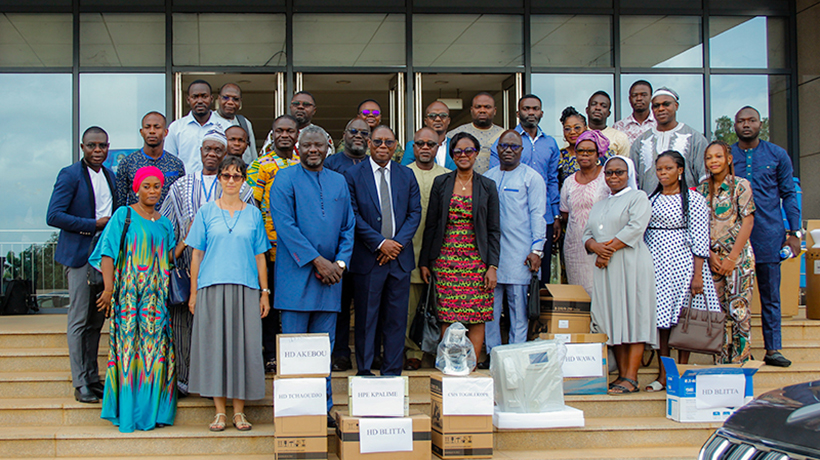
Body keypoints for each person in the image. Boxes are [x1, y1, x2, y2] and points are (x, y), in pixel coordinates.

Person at [270, 125, 356, 427]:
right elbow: (285, 226)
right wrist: (319, 262)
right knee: (293, 351)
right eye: (307, 145)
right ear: (298, 147)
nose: (313, 150)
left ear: (327, 146)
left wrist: (340, 265)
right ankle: (294, 410)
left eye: (318, 145)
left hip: (331, 281)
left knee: (324, 350)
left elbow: (348, 226)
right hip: (296, 278)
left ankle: (323, 408)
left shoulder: (339, 181)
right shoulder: (284, 178)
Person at [159, 130, 254, 396]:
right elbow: (167, 223)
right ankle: (184, 381)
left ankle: (220, 383)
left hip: (228, 262)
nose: (211, 154)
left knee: (222, 324)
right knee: (184, 322)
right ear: (200, 151)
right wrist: (174, 252)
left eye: (217, 150)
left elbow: (250, 227)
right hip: (189, 258)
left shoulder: (242, 187)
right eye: (207, 149)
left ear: (225, 154)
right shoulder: (181, 185)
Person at [187, 156, 271, 432]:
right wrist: (193, 293)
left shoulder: (253, 214)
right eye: (226, 176)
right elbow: (196, 254)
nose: (231, 181)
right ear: (219, 179)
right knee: (215, 348)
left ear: (243, 179)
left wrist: (264, 292)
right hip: (211, 287)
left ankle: (239, 412)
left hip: (246, 288)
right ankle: (220, 412)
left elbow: (260, 256)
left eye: (237, 176)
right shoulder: (206, 212)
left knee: (244, 348)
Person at [90, 166, 177, 432]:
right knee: (128, 354)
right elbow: (107, 252)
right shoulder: (123, 215)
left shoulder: (164, 222)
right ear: (137, 188)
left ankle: (152, 414)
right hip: (128, 297)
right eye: (147, 186)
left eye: (157, 186)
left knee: (155, 355)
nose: (152, 191)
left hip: (156, 301)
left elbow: (169, 258)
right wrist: (108, 289)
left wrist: (189, 242)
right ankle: (127, 414)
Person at [46, 126, 118, 404]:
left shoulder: (110, 175)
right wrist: (93, 225)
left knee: (96, 320)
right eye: (92, 146)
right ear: (82, 147)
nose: (97, 151)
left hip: (104, 258)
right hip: (78, 256)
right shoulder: (70, 174)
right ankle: (80, 383)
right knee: (78, 319)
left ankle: (92, 378)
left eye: (102, 146)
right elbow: (54, 215)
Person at [346, 125, 422, 376]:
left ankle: (392, 371)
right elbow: (353, 215)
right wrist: (380, 243)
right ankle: (365, 371)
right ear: (368, 143)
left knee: (397, 319)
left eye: (388, 142)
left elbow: (414, 213)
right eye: (377, 141)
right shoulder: (353, 175)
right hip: (369, 258)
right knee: (366, 320)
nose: (382, 147)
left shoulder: (406, 175)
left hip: (399, 260)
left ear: (396, 146)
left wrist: (395, 245)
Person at [644, 150, 722, 392]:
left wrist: (698, 275)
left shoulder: (694, 199)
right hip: (656, 264)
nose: (663, 173)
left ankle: (681, 372)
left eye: (668, 168)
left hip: (683, 265)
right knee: (661, 323)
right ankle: (664, 374)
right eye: (659, 169)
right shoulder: (651, 199)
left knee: (683, 320)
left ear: (679, 170)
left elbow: (700, 239)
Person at [419, 132, 500, 363]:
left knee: (477, 316)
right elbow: (431, 224)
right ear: (452, 155)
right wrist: (425, 262)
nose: (463, 155)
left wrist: (492, 265)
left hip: (477, 261)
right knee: (447, 316)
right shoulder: (441, 183)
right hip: (446, 260)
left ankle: (471, 366)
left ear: (476, 154)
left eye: (468, 151)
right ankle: (451, 365)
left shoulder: (487, 186)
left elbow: (494, 230)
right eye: (458, 151)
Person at [732, 106, 800, 367]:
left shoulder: (777, 155)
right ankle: (739, 349)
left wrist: (794, 232)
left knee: (770, 294)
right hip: (735, 238)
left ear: (761, 124)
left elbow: (789, 194)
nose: (746, 125)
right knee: (736, 296)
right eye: (741, 121)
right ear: (736, 125)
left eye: (751, 120)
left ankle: (773, 349)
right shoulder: (727, 155)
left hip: (769, 235)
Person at [583, 156, 656, 395]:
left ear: (629, 174)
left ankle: (631, 377)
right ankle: (621, 375)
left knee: (633, 317)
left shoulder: (638, 197)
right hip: (606, 269)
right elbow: (586, 234)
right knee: (614, 319)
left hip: (630, 264)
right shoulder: (600, 204)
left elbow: (635, 228)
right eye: (609, 173)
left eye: (619, 172)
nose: (614, 177)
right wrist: (596, 247)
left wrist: (607, 250)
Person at [484, 130, 546, 358]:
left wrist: (536, 250)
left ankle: (515, 357)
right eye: (504, 146)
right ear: (497, 149)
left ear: (522, 150)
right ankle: (493, 356)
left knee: (518, 311)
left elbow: (538, 214)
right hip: (491, 257)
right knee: (489, 310)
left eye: (514, 147)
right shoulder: (488, 176)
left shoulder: (532, 178)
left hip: (520, 255)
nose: (508, 150)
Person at [246, 114, 301, 374]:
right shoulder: (260, 165)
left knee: (291, 303)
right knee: (269, 301)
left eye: (290, 131)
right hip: (268, 247)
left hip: (297, 249)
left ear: (297, 135)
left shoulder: (305, 163)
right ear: (272, 133)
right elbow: (252, 204)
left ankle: (293, 353)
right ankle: (270, 354)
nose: (285, 135)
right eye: (279, 130)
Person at [490, 94, 561, 286]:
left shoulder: (551, 143)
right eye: (526, 108)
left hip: (542, 216)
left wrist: (555, 216)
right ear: (518, 113)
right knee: (507, 273)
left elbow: (553, 180)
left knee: (539, 276)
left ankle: (535, 316)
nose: (531, 112)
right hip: (512, 218)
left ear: (541, 113)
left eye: (535, 108)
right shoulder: (506, 141)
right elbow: (494, 182)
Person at [696, 141, 756, 364]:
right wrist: (710, 255)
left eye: (718, 156)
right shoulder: (701, 190)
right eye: (709, 157)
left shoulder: (741, 186)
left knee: (739, 311)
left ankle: (741, 361)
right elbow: (698, 227)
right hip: (712, 260)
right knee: (717, 313)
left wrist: (732, 258)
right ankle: (720, 363)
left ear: (728, 159)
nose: (714, 161)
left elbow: (748, 222)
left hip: (738, 260)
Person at [325, 118, 371, 372]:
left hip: (367, 249)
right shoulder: (331, 164)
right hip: (338, 248)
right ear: (344, 134)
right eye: (353, 131)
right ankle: (340, 353)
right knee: (340, 305)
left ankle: (368, 354)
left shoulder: (374, 163)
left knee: (366, 306)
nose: (358, 136)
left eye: (364, 133)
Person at [403, 127, 450, 370]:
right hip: (407, 252)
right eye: (420, 143)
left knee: (441, 307)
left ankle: (441, 351)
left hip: (440, 254)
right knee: (410, 308)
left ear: (438, 147)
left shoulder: (448, 176)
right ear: (413, 147)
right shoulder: (402, 174)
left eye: (430, 144)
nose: (425, 148)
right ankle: (413, 352)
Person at [559, 130, 610, 295]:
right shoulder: (569, 181)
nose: (585, 155)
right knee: (579, 295)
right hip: (575, 246)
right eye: (580, 151)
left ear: (598, 154)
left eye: (590, 151)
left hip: (602, 245)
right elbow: (565, 214)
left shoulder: (607, 178)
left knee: (602, 293)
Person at [630, 87, 708, 192]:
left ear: (676, 106)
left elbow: (705, 177)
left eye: (666, 104)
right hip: (649, 204)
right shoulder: (641, 141)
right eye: (656, 106)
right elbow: (634, 180)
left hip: (686, 204)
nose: (661, 109)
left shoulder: (694, 138)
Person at [116, 112, 185, 208]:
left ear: (165, 132)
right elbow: (120, 202)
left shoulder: (176, 164)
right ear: (141, 132)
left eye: (157, 127)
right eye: (147, 127)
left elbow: (181, 200)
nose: (152, 131)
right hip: (137, 221)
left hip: (168, 221)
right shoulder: (128, 163)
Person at [165, 80, 229, 174]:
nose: (200, 101)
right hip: (186, 185)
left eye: (204, 96)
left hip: (219, 184)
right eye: (195, 97)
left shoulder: (226, 127)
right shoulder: (176, 128)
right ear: (188, 100)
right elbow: (169, 162)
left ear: (211, 99)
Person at [260, 91, 332, 156]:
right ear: (290, 107)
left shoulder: (321, 135)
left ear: (314, 110)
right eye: (296, 104)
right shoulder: (275, 133)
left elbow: (328, 163)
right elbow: (264, 159)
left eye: (306, 104)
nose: (300, 107)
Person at [447, 92, 505, 174]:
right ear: (471, 110)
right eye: (478, 107)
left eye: (487, 107)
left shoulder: (504, 135)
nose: (482, 110)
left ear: (494, 111)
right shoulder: (455, 134)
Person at [402, 101, 457, 170]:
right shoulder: (413, 146)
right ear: (425, 121)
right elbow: (404, 172)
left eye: (443, 115)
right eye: (432, 116)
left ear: (448, 121)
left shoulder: (456, 145)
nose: (438, 119)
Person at [212, 83, 258, 165]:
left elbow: (253, 156)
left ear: (240, 102)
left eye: (235, 99)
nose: (230, 102)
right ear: (218, 99)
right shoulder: (210, 122)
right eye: (226, 98)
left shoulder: (244, 123)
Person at [558, 106, 596, 184]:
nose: (572, 132)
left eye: (577, 128)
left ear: (585, 128)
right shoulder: (560, 155)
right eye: (567, 129)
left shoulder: (598, 151)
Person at [586, 91, 631, 157]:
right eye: (594, 104)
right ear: (587, 110)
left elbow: (624, 165)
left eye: (603, 106)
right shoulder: (576, 134)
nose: (598, 108)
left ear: (608, 113)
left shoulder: (620, 137)